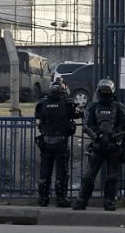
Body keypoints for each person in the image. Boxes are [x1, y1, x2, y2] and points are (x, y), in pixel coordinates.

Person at [72, 78, 125, 211]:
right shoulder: (92, 107)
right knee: (88, 176)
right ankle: (82, 200)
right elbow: (87, 125)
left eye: (107, 91)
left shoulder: (120, 107)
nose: (104, 93)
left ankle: (110, 201)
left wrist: (113, 136)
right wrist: (98, 135)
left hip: (114, 145)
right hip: (97, 145)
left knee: (112, 177)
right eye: (103, 91)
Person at [34, 78, 82, 207]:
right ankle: (61, 198)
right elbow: (79, 114)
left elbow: (38, 116)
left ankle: (43, 198)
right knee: (61, 171)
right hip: (60, 141)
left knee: (45, 170)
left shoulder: (42, 104)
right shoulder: (67, 103)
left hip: (45, 140)